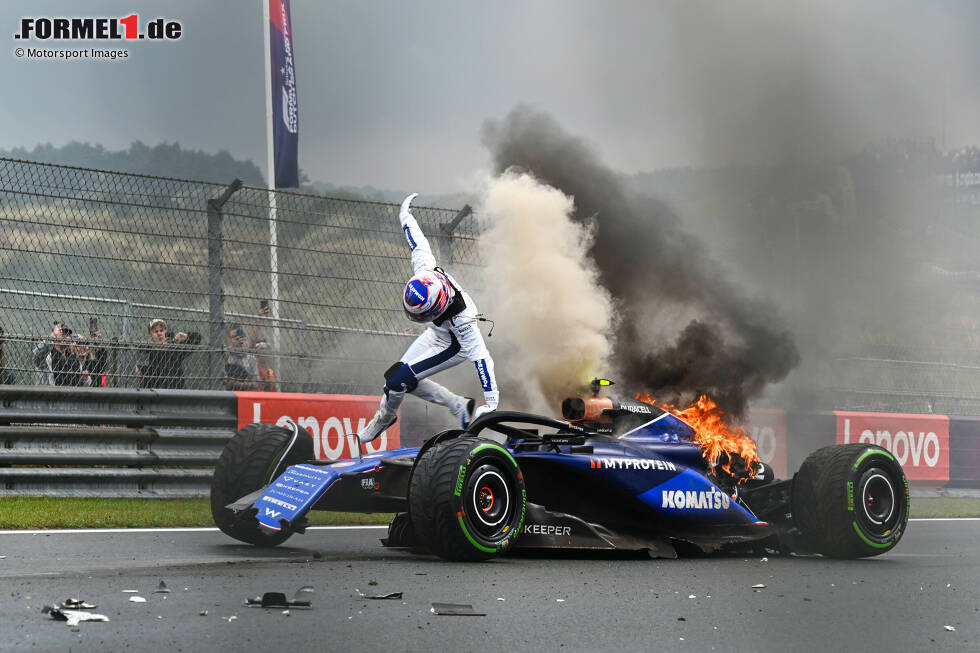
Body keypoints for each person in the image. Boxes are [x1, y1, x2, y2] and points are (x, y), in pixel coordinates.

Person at [357, 193, 498, 444]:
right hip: (436, 333)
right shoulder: (426, 270)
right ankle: (458, 405)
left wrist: (492, 402)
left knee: (397, 382)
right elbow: (417, 242)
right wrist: (405, 215)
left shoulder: (464, 320)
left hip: (453, 346)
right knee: (398, 379)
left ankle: (386, 417)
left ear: (437, 306)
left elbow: (482, 359)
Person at [135, 318, 201, 389]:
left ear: (165, 332)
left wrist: (185, 336)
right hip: (158, 388)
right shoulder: (148, 350)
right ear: (150, 335)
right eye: (156, 331)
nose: (159, 333)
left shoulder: (174, 347)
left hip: (176, 387)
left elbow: (197, 338)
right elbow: (155, 371)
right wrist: (141, 369)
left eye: (161, 330)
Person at [224, 324, 260, 390]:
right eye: (234, 337)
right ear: (228, 339)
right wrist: (232, 346)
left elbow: (256, 384)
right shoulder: (225, 355)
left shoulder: (250, 358)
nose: (237, 338)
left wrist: (240, 384)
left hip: (244, 394)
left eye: (240, 335)